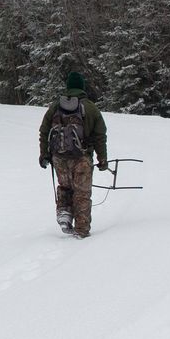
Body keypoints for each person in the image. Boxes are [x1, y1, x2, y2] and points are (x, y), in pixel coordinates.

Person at [38, 71, 108, 238]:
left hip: (59, 158)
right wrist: (102, 159)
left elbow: (44, 131)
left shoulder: (56, 106)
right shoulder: (90, 108)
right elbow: (100, 136)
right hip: (82, 158)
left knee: (65, 187)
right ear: (82, 87)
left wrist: (44, 154)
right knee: (82, 193)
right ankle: (81, 230)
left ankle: (64, 215)